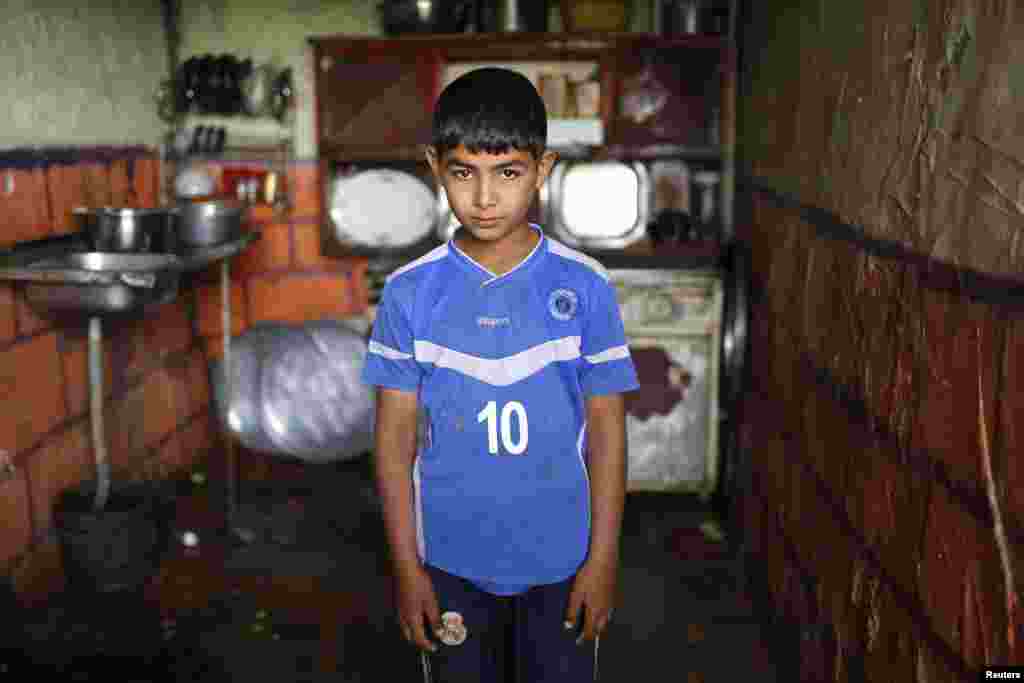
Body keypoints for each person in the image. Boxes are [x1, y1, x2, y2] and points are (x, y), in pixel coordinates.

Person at [361, 66, 639, 682]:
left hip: (563, 563)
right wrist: (408, 571)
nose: (485, 198)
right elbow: (393, 441)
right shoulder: (409, 295)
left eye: (508, 172)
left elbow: (607, 433)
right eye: (464, 172)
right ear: (436, 167)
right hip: (451, 564)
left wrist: (603, 562)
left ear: (542, 170)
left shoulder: (584, 287)